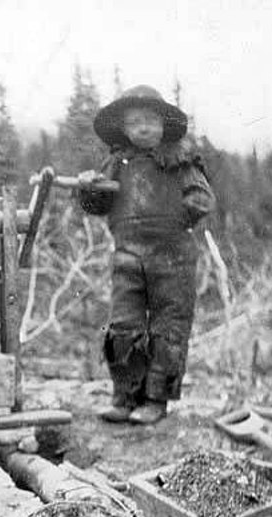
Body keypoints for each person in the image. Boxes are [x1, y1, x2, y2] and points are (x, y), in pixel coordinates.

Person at [74, 85, 215, 425]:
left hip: (173, 259)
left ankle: (155, 400)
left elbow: (203, 199)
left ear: (164, 124)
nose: (143, 128)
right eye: (135, 122)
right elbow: (97, 204)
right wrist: (87, 187)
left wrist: (181, 211)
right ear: (122, 128)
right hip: (127, 258)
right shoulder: (114, 163)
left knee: (169, 328)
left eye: (151, 120)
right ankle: (125, 397)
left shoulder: (180, 160)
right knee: (124, 326)